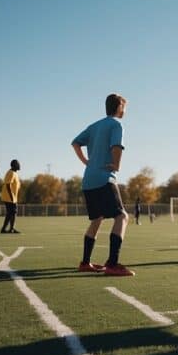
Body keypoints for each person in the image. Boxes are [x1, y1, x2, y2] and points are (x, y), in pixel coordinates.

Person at [71, 93, 134, 276]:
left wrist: (86, 161)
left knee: (97, 219)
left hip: (88, 180)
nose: (125, 110)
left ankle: (85, 262)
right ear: (119, 107)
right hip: (104, 178)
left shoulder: (94, 126)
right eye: (124, 106)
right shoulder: (116, 124)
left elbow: (75, 143)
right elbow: (116, 147)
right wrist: (116, 165)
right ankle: (113, 264)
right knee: (122, 217)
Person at [0, 159, 21, 233]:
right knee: (12, 212)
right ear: (14, 165)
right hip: (9, 197)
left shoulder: (14, 173)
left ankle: (9, 228)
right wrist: (11, 196)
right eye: (18, 164)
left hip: (12, 197)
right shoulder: (11, 173)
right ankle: (7, 228)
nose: (19, 165)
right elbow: (8, 185)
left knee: (12, 213)